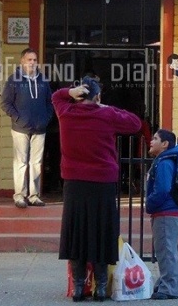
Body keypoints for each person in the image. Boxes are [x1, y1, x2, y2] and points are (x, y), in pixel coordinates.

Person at [53, 75, 142, 302]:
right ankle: (101, 287)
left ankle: (79, 287)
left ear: (77, 95)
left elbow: (56, 96)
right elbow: (135, 123)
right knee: (102, 232)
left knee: (77, 233)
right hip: (102, 181)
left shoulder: (66, 113)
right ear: (98, 96)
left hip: (74, 181)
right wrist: (105, 105)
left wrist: (68, 94)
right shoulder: (107, 114)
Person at [0, 47, 54, 209]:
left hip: (40, 128)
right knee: (21, 162)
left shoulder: (43, 80)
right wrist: (18, 118)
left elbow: (50, 102)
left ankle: (34, 195)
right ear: (22, 61)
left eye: (35, 60)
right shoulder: (13, 80)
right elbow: (5, 103)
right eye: (29, 60)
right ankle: (20, 195)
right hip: (19, 128)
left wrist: (46, 118)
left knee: (36, 162)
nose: (32, 63)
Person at [145, 129, 178, 300]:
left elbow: (162, 189)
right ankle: (165, 283)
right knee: (167, 249)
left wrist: (150, 204)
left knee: (166, 250)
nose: (151, 141)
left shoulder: (164, 163)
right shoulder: (165, 160)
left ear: (165, 144)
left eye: (155, 138)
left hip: (164, 211)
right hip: (168, 211)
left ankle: (169, 288)